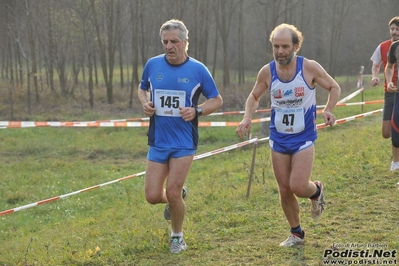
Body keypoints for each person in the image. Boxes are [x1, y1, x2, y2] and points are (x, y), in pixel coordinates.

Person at [236, 23, 341, 247]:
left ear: (296, 46)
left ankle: (316, 191)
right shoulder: (267, 71)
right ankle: (296, 234)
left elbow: (334, 87)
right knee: (284, 189)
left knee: (298, 186)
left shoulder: (309, 68)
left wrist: (328, 109)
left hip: (303, 137)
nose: (280, 51)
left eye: (285, 46)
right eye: (276, 46)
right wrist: (247, 117)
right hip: (278, 138)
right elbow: (254, 96)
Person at [138, 19, 223, 254]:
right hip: (158, 139)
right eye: (165, 41)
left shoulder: (198, 69)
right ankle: (178, 198)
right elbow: (141, 87)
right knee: (153, 196)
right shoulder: (152, 65)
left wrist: (197, 110)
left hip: (184, 141)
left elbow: (217, 100)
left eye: (174, 41)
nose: (169, 46)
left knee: (172, 190)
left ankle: (177, 236)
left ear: (186, 42)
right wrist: (145, 103)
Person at [370, 17, 399, 171]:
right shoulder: (383, 47)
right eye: (392, 29)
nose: (394, 32)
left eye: (397, 29)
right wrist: (375, 76)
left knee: (396, 127)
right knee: (386, 132)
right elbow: (376, 65)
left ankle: (396, 161)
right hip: (390, 91)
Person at [385, 40, 399, 185]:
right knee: (395, 138)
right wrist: (389, 81)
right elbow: (389, 67)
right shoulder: (396, 46)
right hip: (398, 94)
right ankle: (396, 161)